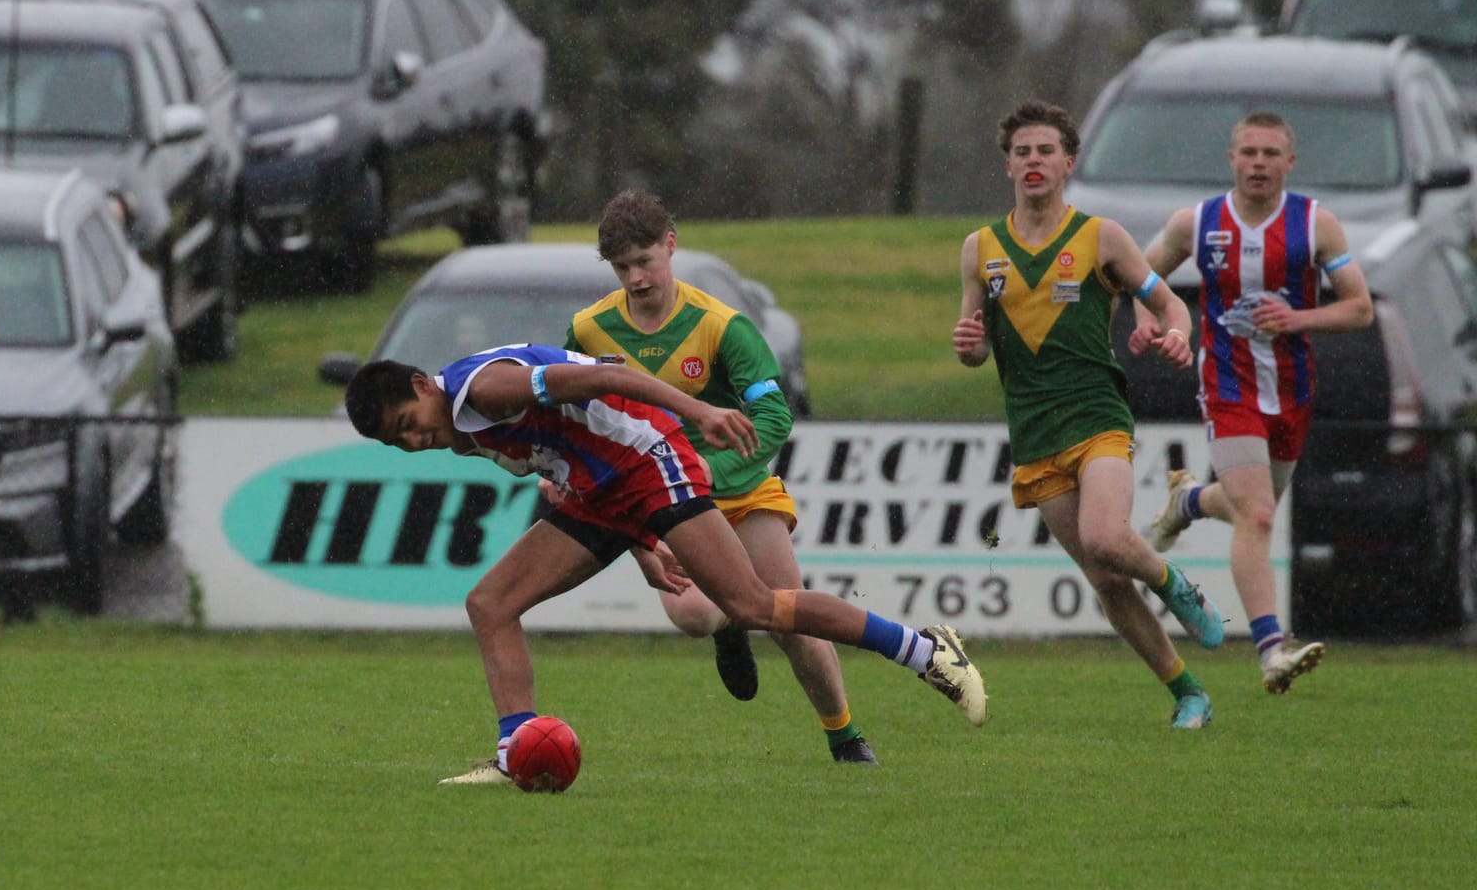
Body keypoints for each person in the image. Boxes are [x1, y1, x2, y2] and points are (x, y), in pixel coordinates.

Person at [345, 346, 988, 785]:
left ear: (423, 386)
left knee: (753, 605)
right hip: (604, 492)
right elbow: (570, 455)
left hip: (650, 460)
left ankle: (925, 651)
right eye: (398, 441)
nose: (414, 440)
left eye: (409, 422)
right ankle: (516, 753)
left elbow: (606, 378)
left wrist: (698, 410)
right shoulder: (460, 426)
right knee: (490, 604)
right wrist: (644, 548)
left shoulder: (485, 390)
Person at [566, 191, 980, 765]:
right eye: (622, 268)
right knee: (694, 615)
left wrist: (710, 469)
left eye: (645, 261)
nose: (636, 278)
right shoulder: (590, 331)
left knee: (792, 622)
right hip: (663, 499)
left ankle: (845, 738)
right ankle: (729, 625)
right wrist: (563, 467)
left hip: (737, 489)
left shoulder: (721, 326)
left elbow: (774, 417)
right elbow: (571, 412)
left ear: (670, 245)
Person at [953, 99, 1224, 730]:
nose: (1034, 161)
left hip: (1098, 414)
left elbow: (1169, 304)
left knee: (1106, 537)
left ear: (1068, 162)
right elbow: (974, 345)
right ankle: (1189, 693)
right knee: (1105, 580)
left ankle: (1175, 585)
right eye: (1022, 152)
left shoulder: (1101, 237)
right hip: (1034, 430)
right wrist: (969, 347)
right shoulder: (979, 248)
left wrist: (1177, 334)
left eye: (1045, 150)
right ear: (1008, 166)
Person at [1136, 111, 1373, 693]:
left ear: (1289, 163)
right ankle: (1271, 650)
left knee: (1250, 507)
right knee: (1259, 515)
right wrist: (1149, 320)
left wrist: (1299, 319)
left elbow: (1360, 309)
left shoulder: (1315, 224)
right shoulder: (1197, 222)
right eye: (1249, 152)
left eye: (1270, 154)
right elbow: (1140, 276)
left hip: (1291, 390)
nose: (1259, 163)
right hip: (1228, 384)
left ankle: (1188, 501)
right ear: (1232, 159)